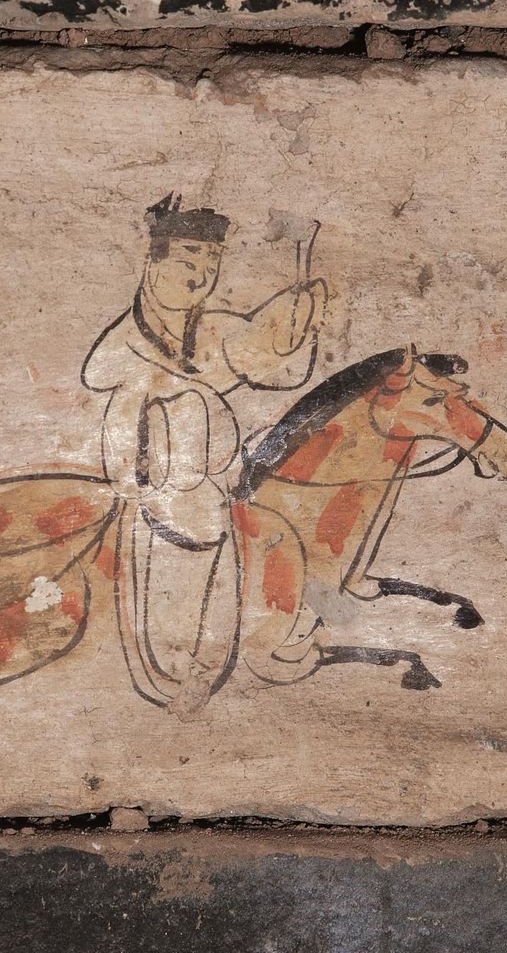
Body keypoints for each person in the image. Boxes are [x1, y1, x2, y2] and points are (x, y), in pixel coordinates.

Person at [81, 194, 325, 713]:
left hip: (210, 488)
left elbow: (268, 358)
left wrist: (297, 302)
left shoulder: (211, 329)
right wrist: (178, 388)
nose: (201, 275)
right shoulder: (125, 342)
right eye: (188, 259)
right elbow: (102, 383)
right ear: (153, 262)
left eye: (212, 262)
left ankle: (220, 657)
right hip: (157, 489)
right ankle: (177, 667)